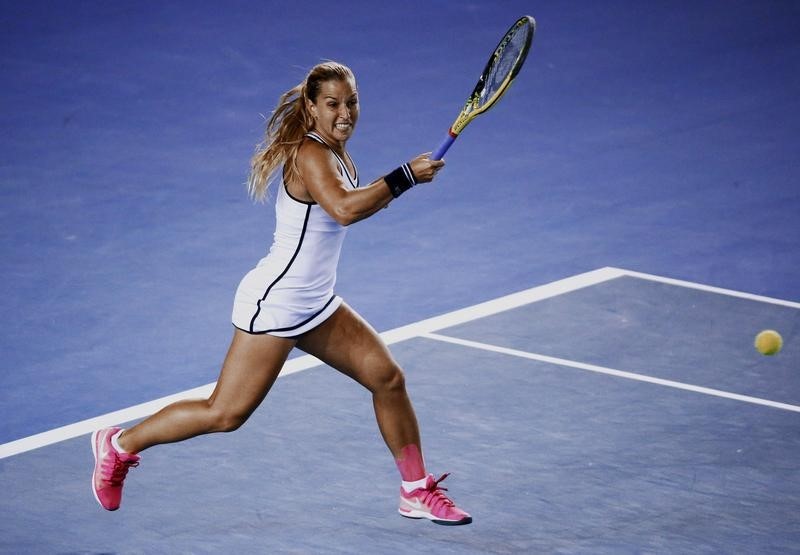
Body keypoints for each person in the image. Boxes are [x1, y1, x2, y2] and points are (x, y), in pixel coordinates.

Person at [91, 61, 471, 526]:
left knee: (386, 378)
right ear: (311, 108)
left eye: (351, 102)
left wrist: (395, 185)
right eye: (332, 104)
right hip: (276, 304)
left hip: (315, 303)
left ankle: (415, 490)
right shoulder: (311, 155)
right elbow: (345, 210)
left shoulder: (337, 152)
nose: (344, 113)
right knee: (225, 414)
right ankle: (118, 445)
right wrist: (403, 178)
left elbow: (346, 210)